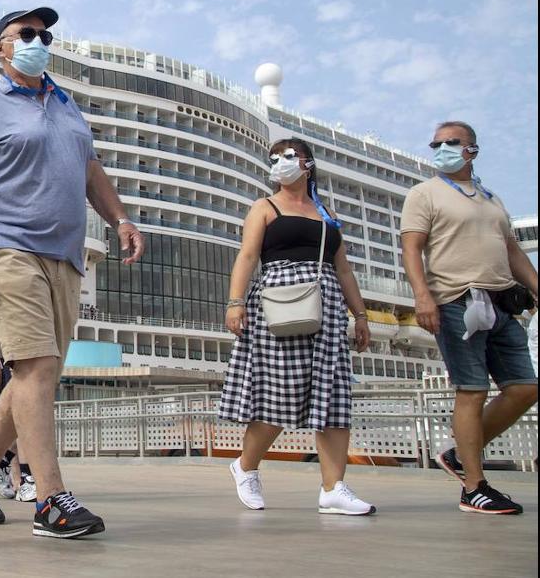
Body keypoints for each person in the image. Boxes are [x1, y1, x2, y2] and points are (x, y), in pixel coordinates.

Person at [0, 6, 144, 539]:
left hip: (65, 253)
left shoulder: (66, 105)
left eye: (45, 34)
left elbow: (89, 170)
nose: (39, 40)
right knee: (34, 367)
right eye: (26, 33)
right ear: (1, 47)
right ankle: (51, 499)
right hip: (6, 246)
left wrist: (121, 218)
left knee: (40, 373)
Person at [218, 138, 375, 514]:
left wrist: (361, 315)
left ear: (307, 163)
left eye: (288, 156)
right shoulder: (265, 207)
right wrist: (235, 302)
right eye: (274, 158)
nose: (280, 163)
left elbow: (345, 270)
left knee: (334, 396)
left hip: (328, 305)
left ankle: (333, 488)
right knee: (280, 396)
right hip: (278, 304)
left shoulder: (326, 212)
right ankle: (245, 466)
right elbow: (248, 255)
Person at [401, 121, 538, 515]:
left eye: (451, 142)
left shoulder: (491, 199)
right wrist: (422, 296)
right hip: (455, 300)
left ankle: (461, 454)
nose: (441, 148)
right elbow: (411, 249)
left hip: (500, 301)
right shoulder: (424, 193)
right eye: (436, 144)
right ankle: (473, 487)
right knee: (472, 390)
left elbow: (512, 251)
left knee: (526, 387)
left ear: (472, 150)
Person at [0, 303, 31, 502]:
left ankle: (9, 470)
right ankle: (21, 477)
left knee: (21, 423)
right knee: (19, 421)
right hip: (8, 361)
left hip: (26, 358)